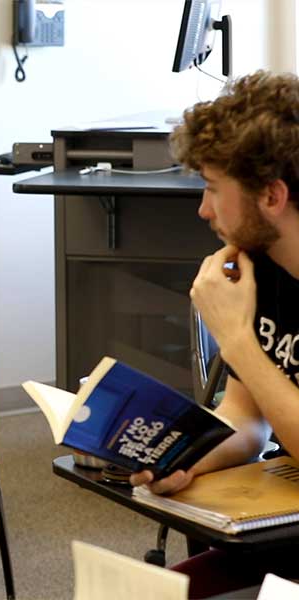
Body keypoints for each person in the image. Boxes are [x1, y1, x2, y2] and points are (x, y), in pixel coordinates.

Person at [130, 70, 299, 598]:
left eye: (212, 188)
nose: (203, 210)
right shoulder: (261, 268)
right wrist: (187, 456)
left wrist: (237, 341)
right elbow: (248, 422)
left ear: (271, 195)